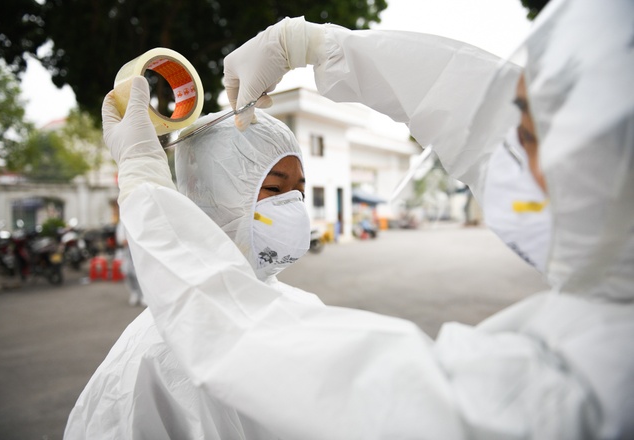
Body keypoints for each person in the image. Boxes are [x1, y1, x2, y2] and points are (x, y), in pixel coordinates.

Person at [69, 0, 633, 438]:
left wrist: (145, 186)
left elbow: (266, 354)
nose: (515, 159)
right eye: (272, 189)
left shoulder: (587, 382)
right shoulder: (153, 360)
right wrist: (316, 47)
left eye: (531, 139)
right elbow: (488, 117)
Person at [65, 102, 323, 438]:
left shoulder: (304, 310)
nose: (292, 206)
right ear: (212, 196)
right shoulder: (155, 355)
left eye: (299, 192)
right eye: (273, 189)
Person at [115, 220, 145, 306]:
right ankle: (134, 292)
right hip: (127, 251)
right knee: (127, 272)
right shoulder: (123, 222)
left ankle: (143, 295)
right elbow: (121, 239)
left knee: (139, 273)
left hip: (139, 249)